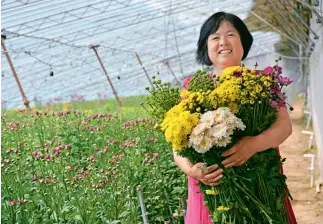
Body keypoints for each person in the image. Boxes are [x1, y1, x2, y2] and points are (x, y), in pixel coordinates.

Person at [173, 12, 297, 224]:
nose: (223, 42)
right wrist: (192, 170)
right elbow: (177, 144)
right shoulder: (191, 88)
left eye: (230, 34)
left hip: (260, 182)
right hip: (211, 188)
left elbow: (284, 126)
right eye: (215, 37)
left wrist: (254, 145)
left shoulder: (263, 83)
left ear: (243, 43)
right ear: (206, 47)